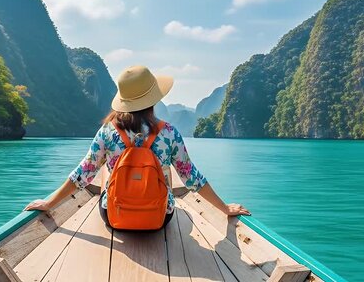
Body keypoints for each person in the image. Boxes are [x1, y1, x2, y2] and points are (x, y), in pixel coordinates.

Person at [24, 65, 250, 226]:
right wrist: (225, 209)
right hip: (160, 217)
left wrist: (49, 202)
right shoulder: (169, 133)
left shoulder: (108, 131)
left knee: (104, 168)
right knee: (166, 172)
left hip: (113, 216)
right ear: (153, 99)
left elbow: (82, 173)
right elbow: (193, 178)